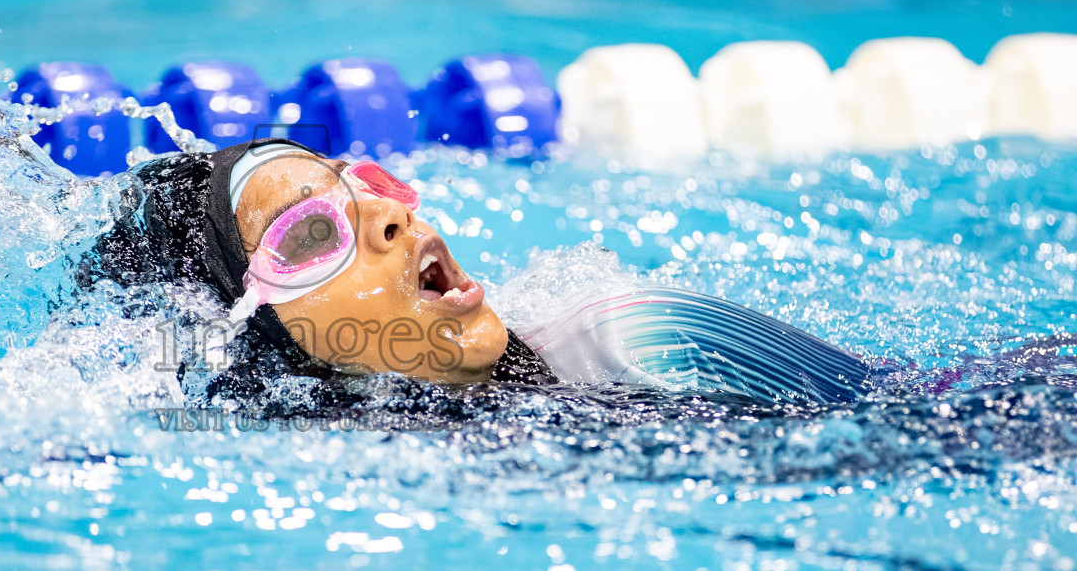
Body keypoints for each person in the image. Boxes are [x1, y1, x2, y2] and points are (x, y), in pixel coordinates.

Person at [89, 138, 870, 406]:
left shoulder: (633, 343)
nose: (388, 215)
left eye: (361, 183)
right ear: (251, 333)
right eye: (312, 233)